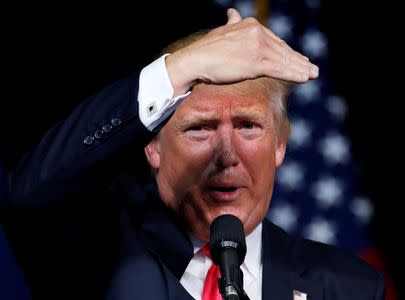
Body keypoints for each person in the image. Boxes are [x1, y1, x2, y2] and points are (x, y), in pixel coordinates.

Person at [1, 8, 385, 300]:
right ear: (152, 147)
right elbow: (28, 195)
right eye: (199, 127)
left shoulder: (350, 286)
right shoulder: (97, 257)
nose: (227, 155)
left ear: (280, 145)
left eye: (248, 126)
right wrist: (183, 67)